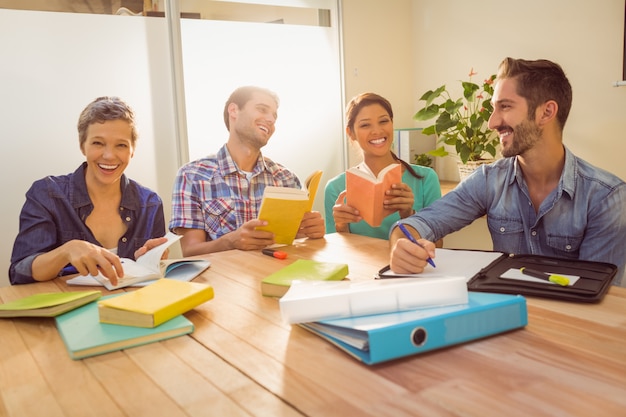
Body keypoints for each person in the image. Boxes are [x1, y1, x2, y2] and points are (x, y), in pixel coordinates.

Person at [389, 57, 626, 286]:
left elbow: (600, 295)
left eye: (505, 106)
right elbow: (422, 223)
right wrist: (402, 245)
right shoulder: (488, 180)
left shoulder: (606, 197)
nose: (492, 123)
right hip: (505, 316)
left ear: (546, 112)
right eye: (494, 108)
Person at [9, 97, 167, 286]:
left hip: (133, 308)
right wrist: (67, 251)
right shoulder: (47, 194)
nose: (109, 155)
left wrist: (155, 259)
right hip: (68, 309)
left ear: (132, 150)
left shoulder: (150, 203)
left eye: (121, 145)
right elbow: (19, 272)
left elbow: (152, 275)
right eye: (98, 143)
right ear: (82, 145)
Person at [169, 86, 325, 256]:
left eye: (274, 115)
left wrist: (311, 231)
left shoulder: (285, 178)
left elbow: (296, 244)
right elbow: (190, 251)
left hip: (276, 275)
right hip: (222, 280)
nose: (271, 119)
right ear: (234, 110)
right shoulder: (192, 176)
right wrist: (230, 241)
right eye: (262, 109)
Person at [325, 92, 441, 240]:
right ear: (351, 133)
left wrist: (409, 215)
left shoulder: (425, 178)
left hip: (409, 264)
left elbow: (438, 245)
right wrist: (341, 226)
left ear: (392, 123)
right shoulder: (335, 188)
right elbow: (335, 255)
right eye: (365, 125)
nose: (377, 131)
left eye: (384, 121)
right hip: (361, 263)